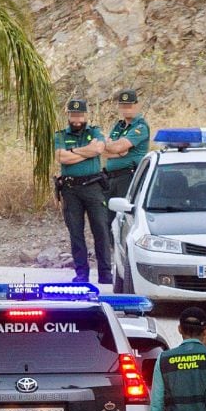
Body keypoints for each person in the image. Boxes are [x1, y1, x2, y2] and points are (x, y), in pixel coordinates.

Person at [54, 98, 111, 284]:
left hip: (93, 187)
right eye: (73, 115)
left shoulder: (94, 131)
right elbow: (62, 158)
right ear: (68, 115)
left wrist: (73, 151)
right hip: (71, 189)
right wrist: (86, 151)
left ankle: (105, 273)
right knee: (76, 232)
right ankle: (81, 274)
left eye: (80, 115)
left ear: (85, 115)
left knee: (101, 230)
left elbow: (99, 149)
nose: (77, 119)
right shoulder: (61, 135)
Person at [102, 89, 150, 208]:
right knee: (107, 218)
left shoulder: (140, 127)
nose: (126, 109)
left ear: (136, 105)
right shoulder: (119, 126)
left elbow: (117, 147)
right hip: (111, 178)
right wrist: (117, 151)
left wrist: (112, 146)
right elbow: (103, 152)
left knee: (123, 216)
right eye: (123, 106)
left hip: (128, 177)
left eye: (129, 106)